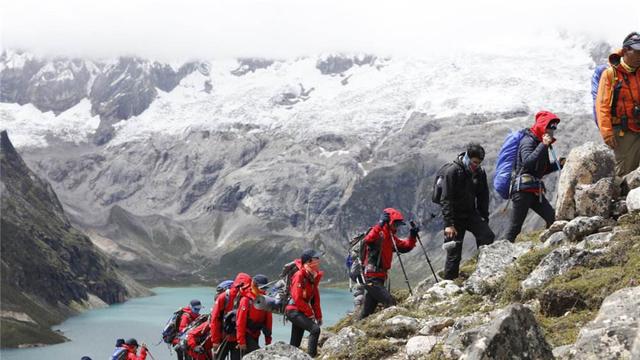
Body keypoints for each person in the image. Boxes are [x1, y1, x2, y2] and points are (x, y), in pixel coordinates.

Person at [504, 112, 564, 242]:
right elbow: (527, 163)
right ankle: (499, 254)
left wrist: (559, 164)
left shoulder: (540, 142)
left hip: (535, 191)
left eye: (555, 127)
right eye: (551, 126)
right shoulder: (528, 140)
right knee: (515, 227)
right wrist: (543, 145)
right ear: (543, 126)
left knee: (552, 218)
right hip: (523, 191)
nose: (553, 130)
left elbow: (543, 169)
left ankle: (548, 243)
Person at [441, 143, 495, 280]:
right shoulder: (453, 171)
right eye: (475, 162)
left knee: (487, 236)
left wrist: (484, 218)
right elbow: (446, 199)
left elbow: (483, 197)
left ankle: (484, 271)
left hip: (471, 214)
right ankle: (449, 284)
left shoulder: (479, 173)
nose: (476, 165)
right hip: (454, 217)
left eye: (479, 162)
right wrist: (449, 224)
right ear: (467, 157)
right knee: (454, 253)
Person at [357, 208, 417, 320]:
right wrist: (380, 224)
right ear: (389, 222)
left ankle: (357, 330)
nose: (397, 227)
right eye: (395, 223)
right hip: (372, 278)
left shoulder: (390, 237)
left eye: (398, 224)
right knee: (390, 302)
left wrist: (412, 236)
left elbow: (405, 246)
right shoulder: (378, 233)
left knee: (367, 311)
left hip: (380, 277)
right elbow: (368, 240)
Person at [596, 32, 640, 177]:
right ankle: (622, 197)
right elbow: (602, 105)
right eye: (637, 51)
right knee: (623, 169)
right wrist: (607, 133)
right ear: (626, 50)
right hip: (622, 131)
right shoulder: (610, 74)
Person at [285, 249, 323, 358]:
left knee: (295, 343)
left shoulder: (312, 277)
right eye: (316, 259)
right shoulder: (299, 275)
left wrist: (318, 316)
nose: (318, 261)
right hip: (293, 311)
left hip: (300, 311)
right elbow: (297, 298)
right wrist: (310, 313)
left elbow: (315, 299)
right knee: (315, 330)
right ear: (308, 261)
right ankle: (312, 356)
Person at [211, 272, 253, 360]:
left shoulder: (245, 298)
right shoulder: (224, 297)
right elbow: (214, 319)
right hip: (223, 338)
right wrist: (215, 340)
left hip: (236, 340)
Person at [235, 274, 273, 355]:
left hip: (256, 333)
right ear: (254, 286)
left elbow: (268, 322)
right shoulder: (245, 300)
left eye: (265, 288)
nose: (264, 291)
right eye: (262, 288)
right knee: (258, 355)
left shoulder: (265, 300)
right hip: (246, 335)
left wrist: (268, 341)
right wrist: (241, 341)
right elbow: (240, 322)